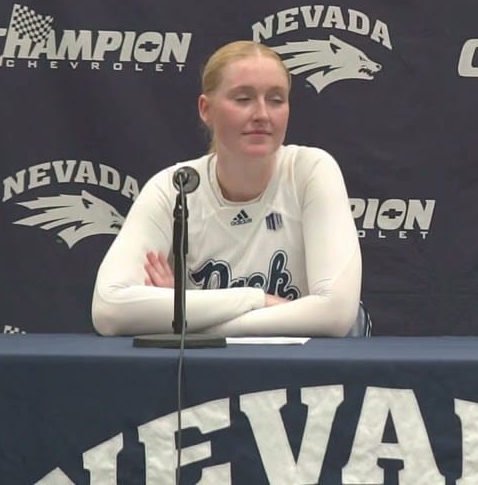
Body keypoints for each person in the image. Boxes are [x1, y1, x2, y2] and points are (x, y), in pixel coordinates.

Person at [91, 40, 361, 337]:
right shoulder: (174, 186)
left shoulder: (310, 170)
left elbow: (336, 315)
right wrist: (255, 300)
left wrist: (185, 316)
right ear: (206, 109)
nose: (262, 114)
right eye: (243, 99)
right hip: (208, 379)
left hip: (305, 378)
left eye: (276, 99)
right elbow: (109, 309)